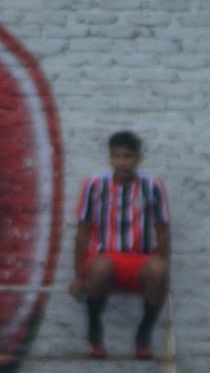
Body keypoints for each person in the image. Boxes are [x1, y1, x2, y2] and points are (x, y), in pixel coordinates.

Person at [70, 130, 171, 359]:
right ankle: (94, 329)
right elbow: (82, 231)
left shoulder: (152, 185)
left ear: (138, 158)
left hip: (140, 259)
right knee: (100, 267)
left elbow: (163, 231)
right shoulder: (94, 184)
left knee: (158, 270)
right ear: (110, 159)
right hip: (104, 256)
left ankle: (143, 335)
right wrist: (78, 277)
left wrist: (164, 269)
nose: (123, 162)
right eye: (117, 157)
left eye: (128, 157)